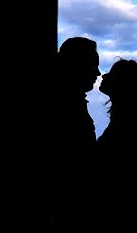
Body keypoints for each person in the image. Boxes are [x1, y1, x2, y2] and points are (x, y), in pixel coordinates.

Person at [49, 36, 101, 220]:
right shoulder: (65, 105)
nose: (98, 73)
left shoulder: (66, 100)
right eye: (93, 65)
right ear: (76, 65)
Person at [95, 58, 137, 210]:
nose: (103, 76)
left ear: (125, 85)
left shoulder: (128, 126)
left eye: (112, 74)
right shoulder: (131, 122)